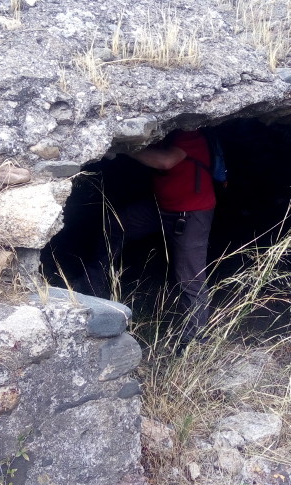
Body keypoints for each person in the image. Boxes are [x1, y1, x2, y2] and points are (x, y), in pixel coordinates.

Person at [87, 129, 215, 346]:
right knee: (115, 224)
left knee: (190, 278)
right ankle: (93, 289)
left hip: (191, 214)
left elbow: (165, 161)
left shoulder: (192, 136)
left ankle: (196, 341)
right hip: (160, 207)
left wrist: (124, 148)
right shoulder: (166, 134)